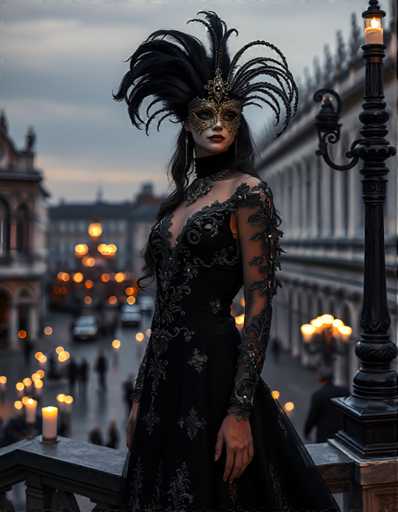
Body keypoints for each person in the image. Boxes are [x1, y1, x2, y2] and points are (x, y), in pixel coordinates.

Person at [113, 10, 340, 512]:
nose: (217, 124)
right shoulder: (180, 199)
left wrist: (239, 411)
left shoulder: (249, 193)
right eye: (204, 114)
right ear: (185, 121)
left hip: (213, 375)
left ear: (239, 125)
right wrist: (138, 394)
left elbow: (259, 306)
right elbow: (163, 309)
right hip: (162, 384)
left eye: (229, 115)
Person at [304, 367, 350, 443]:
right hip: (342, 434)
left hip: (324, 436)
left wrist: (307, 432)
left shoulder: (318, 395)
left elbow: (312, 416)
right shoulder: (344, 392)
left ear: (321, 379)